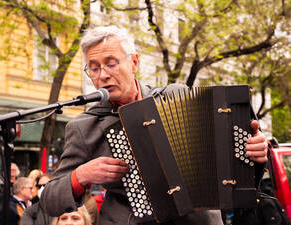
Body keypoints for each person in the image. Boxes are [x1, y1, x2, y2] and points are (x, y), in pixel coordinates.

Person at [40, 26, 268, 225]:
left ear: (134, 62)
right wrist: (80, 175)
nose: (103, 75)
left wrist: (255, 154)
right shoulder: (84, 127)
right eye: (94, 68)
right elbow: (50, 200)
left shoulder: (176, 96)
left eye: (111, 64)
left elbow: (230, 164)